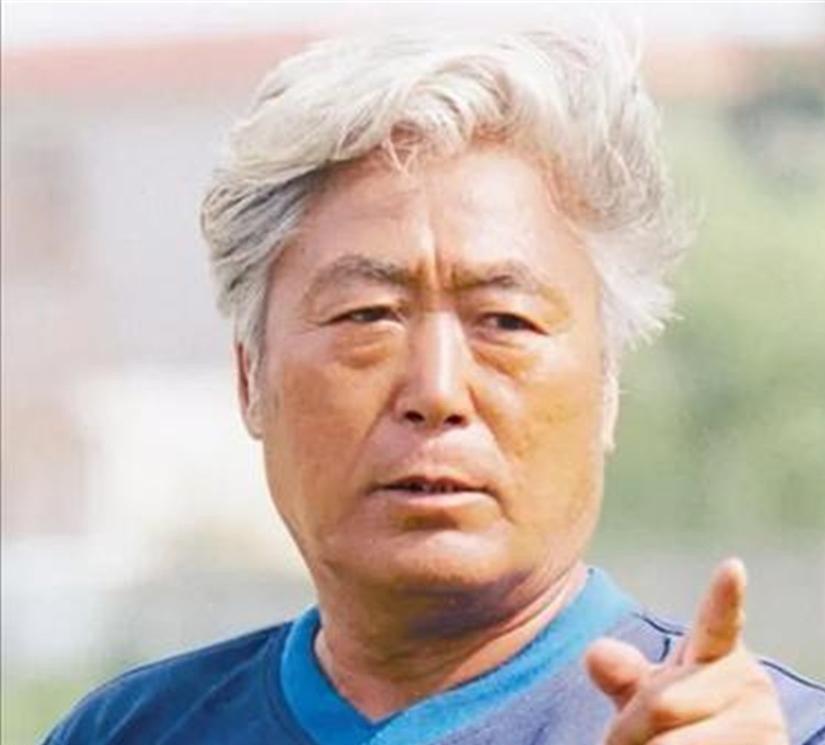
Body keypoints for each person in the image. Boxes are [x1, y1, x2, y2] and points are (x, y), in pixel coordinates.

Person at [44, 25, 824, 745]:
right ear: (251, 379)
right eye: (367, 315)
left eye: (505, 321)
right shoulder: (129, 731)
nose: (438, 390)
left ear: (607, 384)